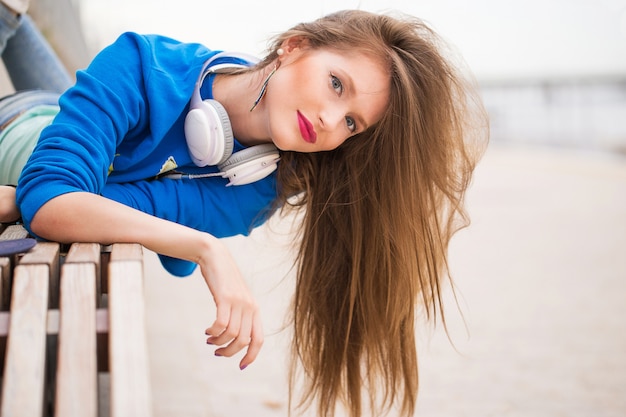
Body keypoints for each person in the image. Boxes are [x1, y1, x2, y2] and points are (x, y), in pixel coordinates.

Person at [0, 3, 489, 416]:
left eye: (352, 124)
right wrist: (204, 247)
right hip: (20, 127)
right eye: (336, 85)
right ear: (294, 46)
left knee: (60, 151)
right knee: (56, 118)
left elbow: (86, 202)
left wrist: (44, 195)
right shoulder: (144, 62)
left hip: (75, 143)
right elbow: (50, 199)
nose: (329, 120)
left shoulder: (255, 194)